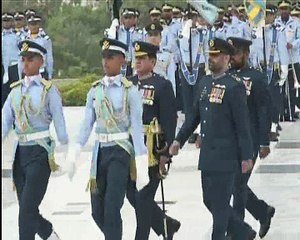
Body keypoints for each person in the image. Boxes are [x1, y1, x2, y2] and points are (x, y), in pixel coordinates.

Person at [169, 38, 256, 240]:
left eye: (216, 55)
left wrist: (246, 156)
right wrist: (178, 141)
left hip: (227, 156)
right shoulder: (204, 83)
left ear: (227, 58)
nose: (211, 59)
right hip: (208, 155)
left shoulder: (234, 86)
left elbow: (242, 125)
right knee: (209, 200)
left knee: (220, 205)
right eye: (210, 55)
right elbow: (193, 118)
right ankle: (243, 232)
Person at [75, 38, 147, 240]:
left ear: (122, 61)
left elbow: (137, 127)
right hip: (100, 152)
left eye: (111, 57)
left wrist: (141, 162)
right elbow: (87, 123)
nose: (106, 62)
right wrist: (76, 149)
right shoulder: (95, 90)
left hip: (120, 151)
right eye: (104, 57)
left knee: (112, 208)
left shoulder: (130, 91)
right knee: (97, 211)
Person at [2, 40, 68, 240]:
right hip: (20, 155)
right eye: (23, 59)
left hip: (40, 154)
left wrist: (66, 152)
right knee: (27, 208)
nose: (25, 64)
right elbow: (4, 122)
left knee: (26, 210)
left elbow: (60, 124)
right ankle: (48, 233)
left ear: (41, 61)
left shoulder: (49, 91)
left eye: (30, 59)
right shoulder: (15, 91)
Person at [126, 41, 180, 240]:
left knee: (143, 198)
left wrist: (166, 153)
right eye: (136, 58)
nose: (137, 62)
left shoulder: (162, 85)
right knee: (132, 195)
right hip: (131, 147)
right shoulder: (128, 83)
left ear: (152, 61)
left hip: (153, 149)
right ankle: (166, 224)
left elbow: (169, 120)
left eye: (142, 59)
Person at [227, 37, 275, 239]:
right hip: (229, 140)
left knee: (237, 185)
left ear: (246, 53)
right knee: (233, 184)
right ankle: (262, 211)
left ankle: (237, 231)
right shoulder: (225, 76)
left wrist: (264, 141)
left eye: (236, 52)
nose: (232, 57)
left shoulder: (256, 77)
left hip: (251, 138)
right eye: (230, 53)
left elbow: (264, 110)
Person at [275, 0, 300, 121]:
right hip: (280, 60)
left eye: (286, 8)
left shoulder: (295, 23)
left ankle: (291, 111)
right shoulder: (276, 23)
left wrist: (293, 44)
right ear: (279, 10)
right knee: (280, 88)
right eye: (282, 8)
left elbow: (299, 38)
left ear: (289, 10)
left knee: (292, 87)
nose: (284, 11)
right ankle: (281, 112)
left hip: (293, 59)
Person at [24, 15, 53, 80]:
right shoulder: (24, 39)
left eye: (35, 24)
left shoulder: (45, 39)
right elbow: (21, 59)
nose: (33, 27)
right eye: (31, 24)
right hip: (28, 72)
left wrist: (50, 74)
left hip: (41, 71)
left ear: (39, 25)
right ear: (28, 26)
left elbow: (49, 57)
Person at [2, 12, 22, 108]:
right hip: (3, 68)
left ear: (12, 22)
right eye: (4, 21)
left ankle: (17, 120)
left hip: (14, 67)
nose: (6, 23)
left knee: (16, 94)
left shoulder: (17, 36)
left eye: (8, 21)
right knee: (3, 95)